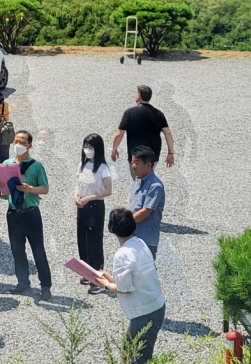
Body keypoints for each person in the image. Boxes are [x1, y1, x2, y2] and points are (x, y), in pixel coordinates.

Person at [96, 208, 166, 364]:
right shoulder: (140, 243)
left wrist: (105, 285)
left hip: (143, 312)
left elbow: (124, 288)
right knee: (135, 352)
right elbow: (132, 278)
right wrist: (109, 277)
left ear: (112, 228)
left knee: (134, 357)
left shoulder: (122, 254)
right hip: (156, 305)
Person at [0, 130, 52, 300]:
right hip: (14, 212)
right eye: (16, 141)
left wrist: (30, 189)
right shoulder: (7, 164)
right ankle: (22, 282)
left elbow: (45, 188)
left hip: (31, 212)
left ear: (29, 145)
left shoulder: (36, 166)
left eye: (23, 142)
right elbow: (4, 190)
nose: (19, 145)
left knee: (38, 250)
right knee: (17, 250)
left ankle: (45, 285)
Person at [76, 133, 113, 294]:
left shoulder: (103, 168)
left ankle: (98, 277)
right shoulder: (82, 164)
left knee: (94, 241)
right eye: (86, 146)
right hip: (82, 205)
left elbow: (108, 190)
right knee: (82, 239)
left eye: (91, 147)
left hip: (95, 206)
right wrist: (76, 196)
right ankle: (87, 272)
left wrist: (90, 197)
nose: (87, 150)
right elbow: (77, 183)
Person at [113, 85, 175, 166]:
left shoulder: (129, 113)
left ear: (139, 96)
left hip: (135, 155)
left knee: (136, 174)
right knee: (149, 173)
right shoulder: (158, 114)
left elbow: (119, 134)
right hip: (153, 154)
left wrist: (114, 150)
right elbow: (168, 133)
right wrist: (170, 153)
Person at [127, 145, 165, 260]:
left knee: (144, 269)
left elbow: (146, 211)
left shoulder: (155, 186)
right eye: (132, 162)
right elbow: (130, 202)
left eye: (137, 163)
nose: (133, 166)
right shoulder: (137, 181)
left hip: (146, 240)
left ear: (148, 164)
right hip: (132, 236)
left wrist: (125, 223)